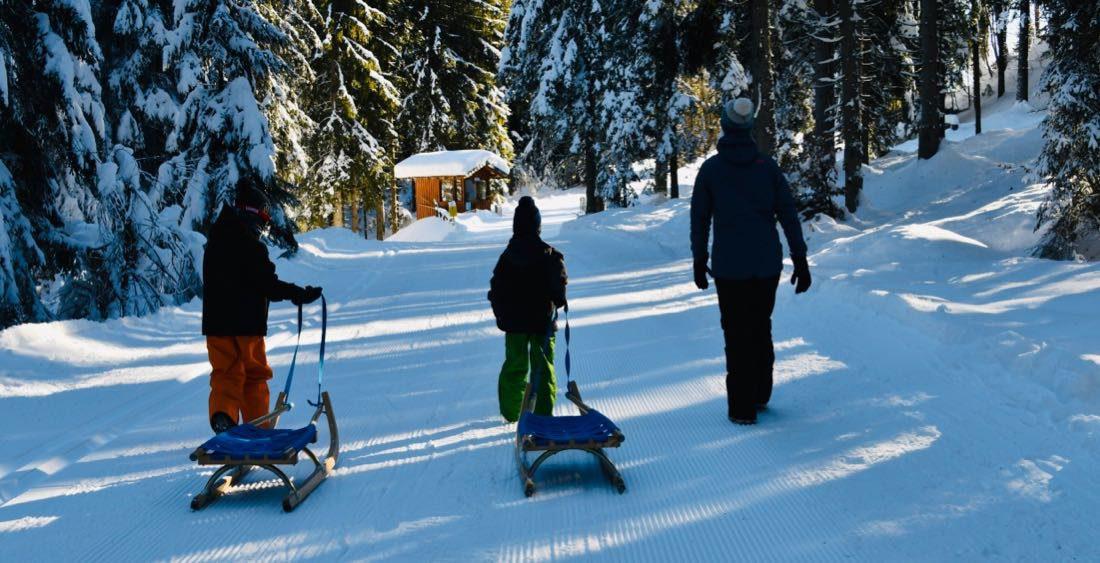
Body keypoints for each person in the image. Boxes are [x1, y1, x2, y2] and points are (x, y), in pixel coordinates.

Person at [690, 98, 811, 426]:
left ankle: (742, 407)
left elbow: (700, 218)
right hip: (766, 265)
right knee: (760, 325)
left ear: (725, 125)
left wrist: (699, 258)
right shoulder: (767, 167)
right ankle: (759, 393)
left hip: (730, 268)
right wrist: (799, 258)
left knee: (736, 333)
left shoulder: (712, 170)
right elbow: (788, 214)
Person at [202, 182, 322, 434]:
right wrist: (297, 294)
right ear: (252, 214)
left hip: (216, 325)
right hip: (247, 325)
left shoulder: (215, 241)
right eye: (263, 219)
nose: (263, 227)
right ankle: (258, 427)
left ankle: (224, 415)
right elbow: (266, 284)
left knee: (225, 373)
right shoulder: (251, 247)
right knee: (254, 375)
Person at [488, 196, 568, 422]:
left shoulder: (506, 257)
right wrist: (557, 300)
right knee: (543, 367)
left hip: (514, 324)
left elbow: (496, 289)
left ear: (516, 225)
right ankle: (543, 415)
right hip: (542, 323)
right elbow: (559, 294)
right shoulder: (550, 255)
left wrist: (502, 316)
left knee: (515, 365)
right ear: (537, 225)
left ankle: (512, 413)